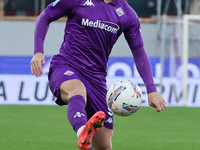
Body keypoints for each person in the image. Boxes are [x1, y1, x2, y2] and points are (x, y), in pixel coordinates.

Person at [30, 0, 166, 149]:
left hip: (96, 79)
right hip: (66, 65)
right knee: (77, 90)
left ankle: (86, 134)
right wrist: (38, 51)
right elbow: (45, 16)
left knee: (104, 146)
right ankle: (83, 131)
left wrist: (151, 90)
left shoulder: (127, 14)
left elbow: (138, 50)